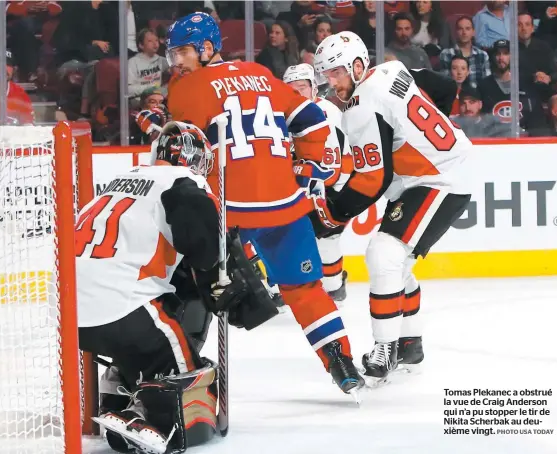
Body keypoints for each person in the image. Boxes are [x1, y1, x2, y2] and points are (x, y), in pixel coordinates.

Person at [165, 12, 364, 397]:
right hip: (285, 205)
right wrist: (305, 171)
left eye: (184, 52)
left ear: (207, 49)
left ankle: (178, 369)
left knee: (194, 287)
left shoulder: (187, 88)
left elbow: (181, 150)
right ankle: (340, 361)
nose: (177, 62)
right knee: (305, 289)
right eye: (173, 54)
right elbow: (312, 119)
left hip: (227, 210)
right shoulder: (260, 73)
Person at [314, 31, 472, 382]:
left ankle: (385, 350)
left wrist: (332, 213)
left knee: (384, 252)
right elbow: (445, 87)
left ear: (357, 66)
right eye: (327, 75)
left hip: (439, 178)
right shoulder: (392, 69)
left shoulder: (360, 108)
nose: (332, 82)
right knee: (395, 261)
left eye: (336, 72)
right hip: (436, 170)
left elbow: (373, 180)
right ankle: (410, 342)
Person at [77, 122, 220, 454]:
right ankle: (151, 416)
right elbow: (208, 254)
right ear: (196, 159)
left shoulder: (117, 182)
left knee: (139, 328)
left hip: (68, 314)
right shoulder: (184, 182)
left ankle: (115, 388)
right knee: (183, 362)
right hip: (119, 309)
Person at [283, 63, 352, 302]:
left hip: (330, 189)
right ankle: (279, 288)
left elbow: (331, 168)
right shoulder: (281, 115)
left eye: (302, 87)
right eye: (291, 89)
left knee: (327, 240)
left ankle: (335, 285)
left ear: (313, 88)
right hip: (299, 187)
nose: (297, 93)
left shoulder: (326, 112)